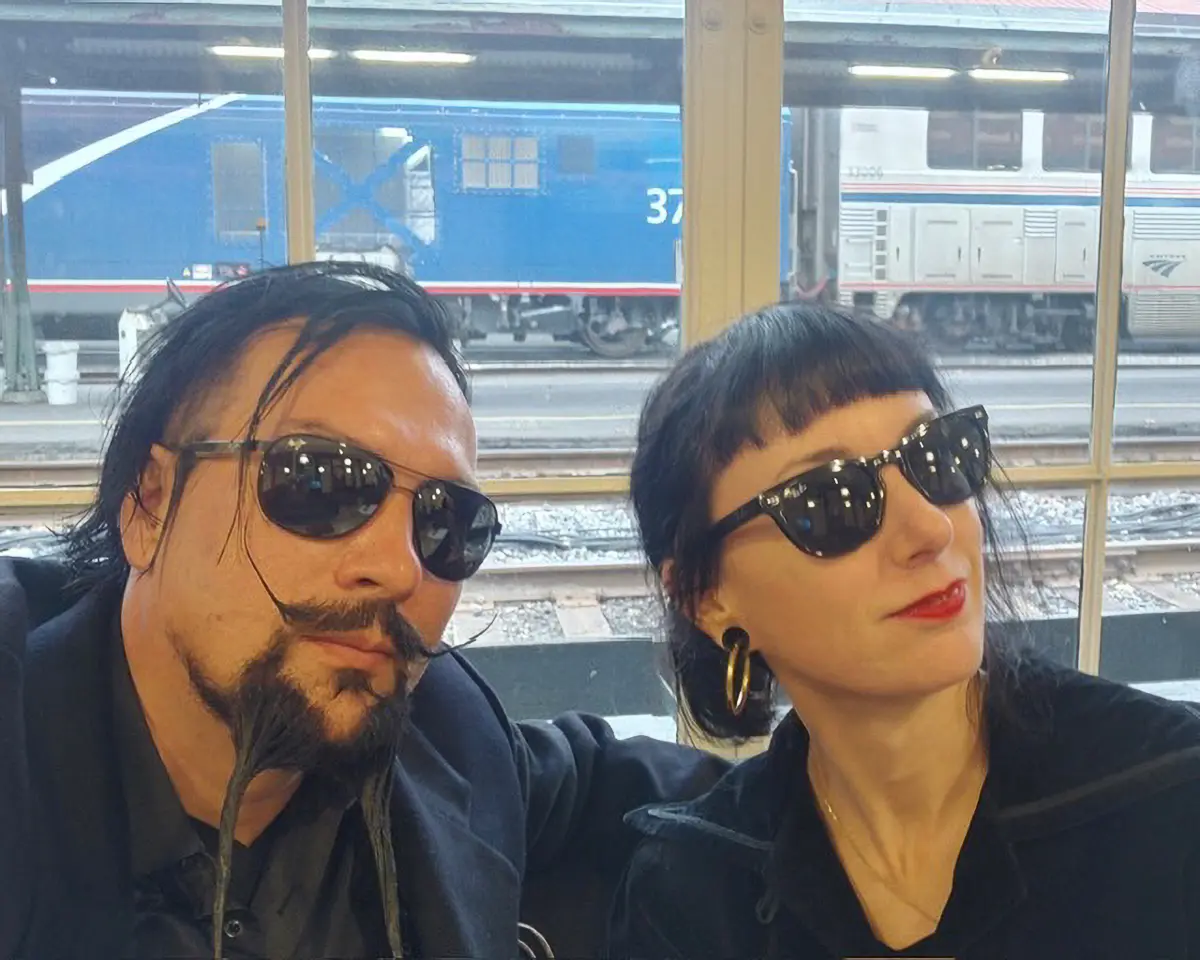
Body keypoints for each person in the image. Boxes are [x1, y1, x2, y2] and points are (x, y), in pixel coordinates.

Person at [0, 261, 727, 960]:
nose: (399, 567)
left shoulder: (446, 734)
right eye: (320, 482)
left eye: (448, 522)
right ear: (149, 503)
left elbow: (620, 784)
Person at [608, 301, 1200, 959]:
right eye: (829, 500)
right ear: (705, 595)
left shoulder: (1170, 795)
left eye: (936, 457)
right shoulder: (692, 892)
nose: (931, 528)